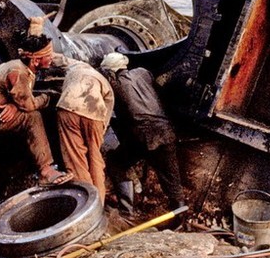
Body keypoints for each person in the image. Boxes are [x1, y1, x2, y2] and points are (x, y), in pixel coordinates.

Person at [0, 17, 73, 232]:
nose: (51, 58)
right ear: (36, 61)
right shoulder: (18, 74)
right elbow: (29, 105)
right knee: (32, 117)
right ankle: (46, 168)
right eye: (48, 56)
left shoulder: (19, 64)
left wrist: (36, 25)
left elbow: (18, 101)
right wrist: (48, 97)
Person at [99, 52, 186, 214]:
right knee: (172, 179)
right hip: (167, 132)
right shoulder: (142, 72)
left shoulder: (115, 85)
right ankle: (181, 220)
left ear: (110, 72)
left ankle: (127, 210)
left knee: (115, 162)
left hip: (144, 137)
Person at [55, 55, 117, 203]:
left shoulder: (78, 66)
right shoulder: (105, 83)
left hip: (69, 107)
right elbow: (106, 114)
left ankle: (84, 205)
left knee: (76, 160)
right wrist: (99, 135)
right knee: (95, 159)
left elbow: (60, 59)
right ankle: (98, 205)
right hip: (95, 113)